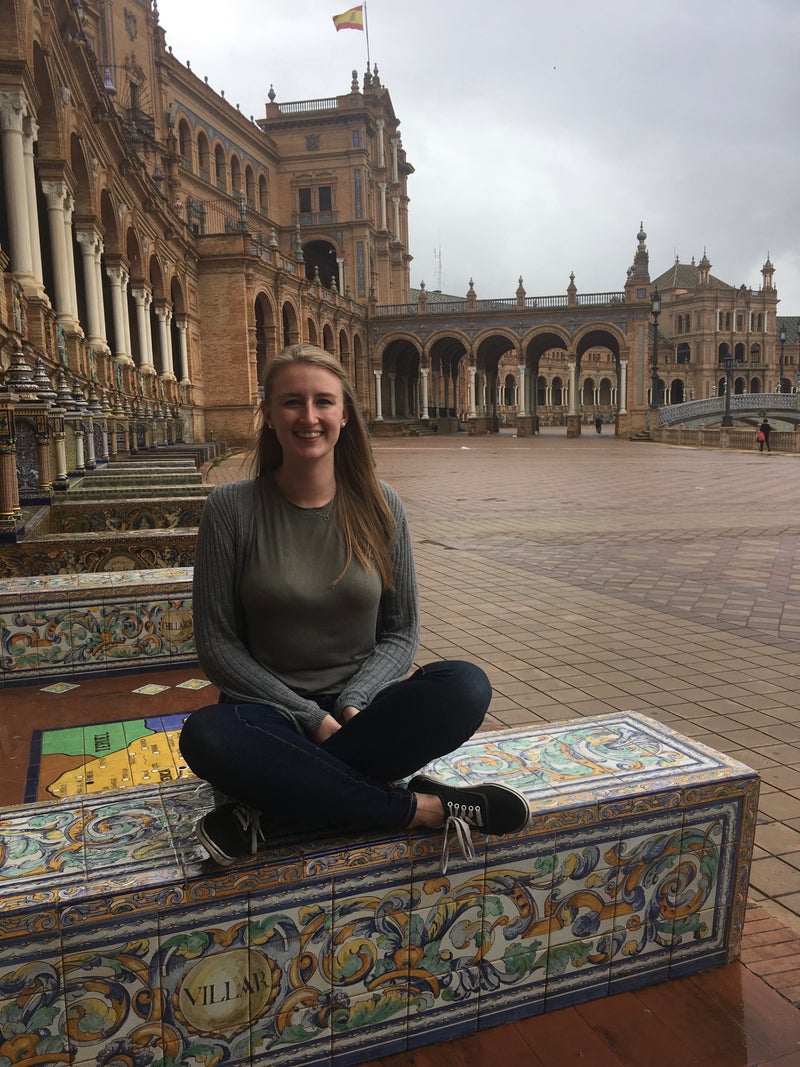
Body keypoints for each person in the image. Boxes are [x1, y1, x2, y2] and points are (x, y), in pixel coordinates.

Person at [179, 343, 528, 871]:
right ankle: (424, 808)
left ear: (344, 414)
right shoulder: (231, 508)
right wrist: (311, 718)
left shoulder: (381, 505)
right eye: (292, 402)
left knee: (465, 685)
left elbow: (401, 630)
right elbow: (218, 646)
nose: (309, 417)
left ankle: (270, 813)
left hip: (362, 715)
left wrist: (353, 701)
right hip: (266, 716)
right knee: (206, 735)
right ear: (268, 414)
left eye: (323, 401)